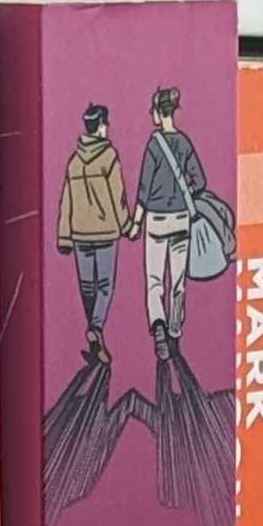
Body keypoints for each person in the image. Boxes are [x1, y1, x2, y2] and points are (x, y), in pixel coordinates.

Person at [132, 82, 208, 344]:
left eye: (152, 110)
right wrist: (184, 191)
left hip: (156, 220)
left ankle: (158, 324)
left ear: (158, 112)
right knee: (178, 279)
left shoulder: (154, 145)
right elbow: (200, 181)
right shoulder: (184, 143)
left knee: (154, 279)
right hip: (181, 219)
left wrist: (135, 223)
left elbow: (144, 189)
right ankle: (175, 326)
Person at [58, 101, 129, 347]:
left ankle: (92, 331)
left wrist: (64, 236)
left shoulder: (74, 162)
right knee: (105, 286)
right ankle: (96, 327)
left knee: (87, 287)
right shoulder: (109, 157)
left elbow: (66, 201)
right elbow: (118, 196)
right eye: (105, 124)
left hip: (80, 234)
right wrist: (127, 226)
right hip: (106, 232)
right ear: (100, 127)